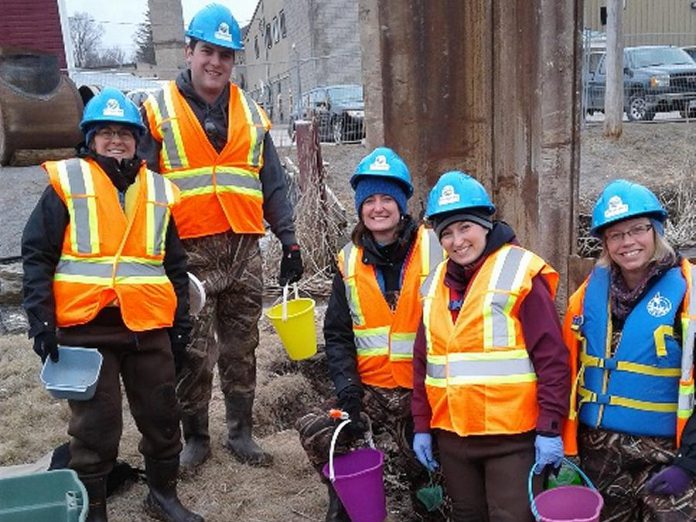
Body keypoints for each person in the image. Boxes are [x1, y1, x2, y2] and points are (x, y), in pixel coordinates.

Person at [21, 87, 203, 522]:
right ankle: (94, 508)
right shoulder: (68, 184)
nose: (116, 141)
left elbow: (174, 265)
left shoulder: (158, 191)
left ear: (138, 139)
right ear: (90, 139)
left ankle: (163, 496)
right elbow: (37, 254)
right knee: (95, 429)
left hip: (147, 329)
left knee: (163, 415)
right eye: (105, 132)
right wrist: (41, 320)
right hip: (86, 328)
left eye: (124, 132)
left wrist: (180, 325)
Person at [139, 3, 303, 470]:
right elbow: (144, 189)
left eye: (226, 55)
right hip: (186, 256)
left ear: (234, 61)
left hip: (244, 253)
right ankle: (196, 438)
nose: (216, 62)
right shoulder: (157, 112)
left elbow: (271, 183)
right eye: (208, 51)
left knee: (242, 347)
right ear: (189, 51)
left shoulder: (251, 112)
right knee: (192, 352)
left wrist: (289, 241)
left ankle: (241, 433)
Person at [296, 147, 446, 521]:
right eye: (370, 200)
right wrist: (349, 392)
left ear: (401, 204)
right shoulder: (347, 261)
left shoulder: (438, 247)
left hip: (424, 392)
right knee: (320, 432)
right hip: (371, 391)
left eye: (387, 199)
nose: (378, 208)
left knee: (430, 490)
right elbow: (338, 335)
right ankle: (344, 501)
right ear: (360, 207)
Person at [412, 170, 570, 522]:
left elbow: (552, 361)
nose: (457, 241)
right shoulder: (435, 283)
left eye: (465, 227)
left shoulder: (519, 273)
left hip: (511, 441)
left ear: (485, 223)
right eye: (447, 233)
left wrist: (549, 428)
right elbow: (424, 362)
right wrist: (422, 425)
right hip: (453, 439)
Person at [563, 179, 696, 521]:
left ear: (656, 232)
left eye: (637, 229)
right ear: (605, 243)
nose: (627, 242)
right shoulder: (589, 294)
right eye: (615, 235)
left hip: (668, 454)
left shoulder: (688, 295)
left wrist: (690, 464)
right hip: (600, 455)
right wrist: (561, 446)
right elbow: (564, 370)